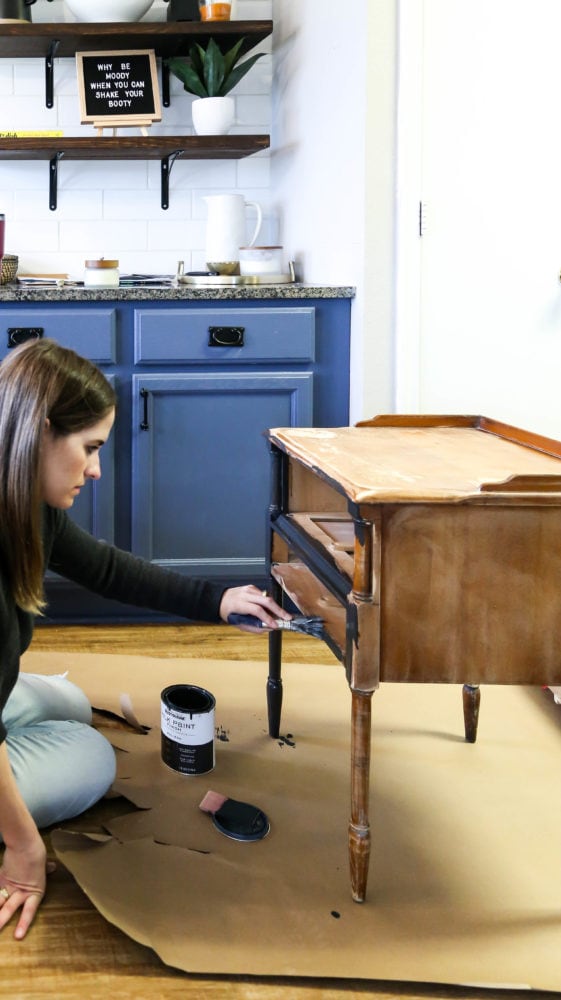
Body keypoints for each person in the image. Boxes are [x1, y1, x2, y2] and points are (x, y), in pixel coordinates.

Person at [0, 337, 289, 941]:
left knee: (75, 705)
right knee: (91, 758)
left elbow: (105, 568)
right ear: (41, 430)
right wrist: (25, 852)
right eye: (90, 449)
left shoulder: (26, 502)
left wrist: (216, 600)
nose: (98, 469)